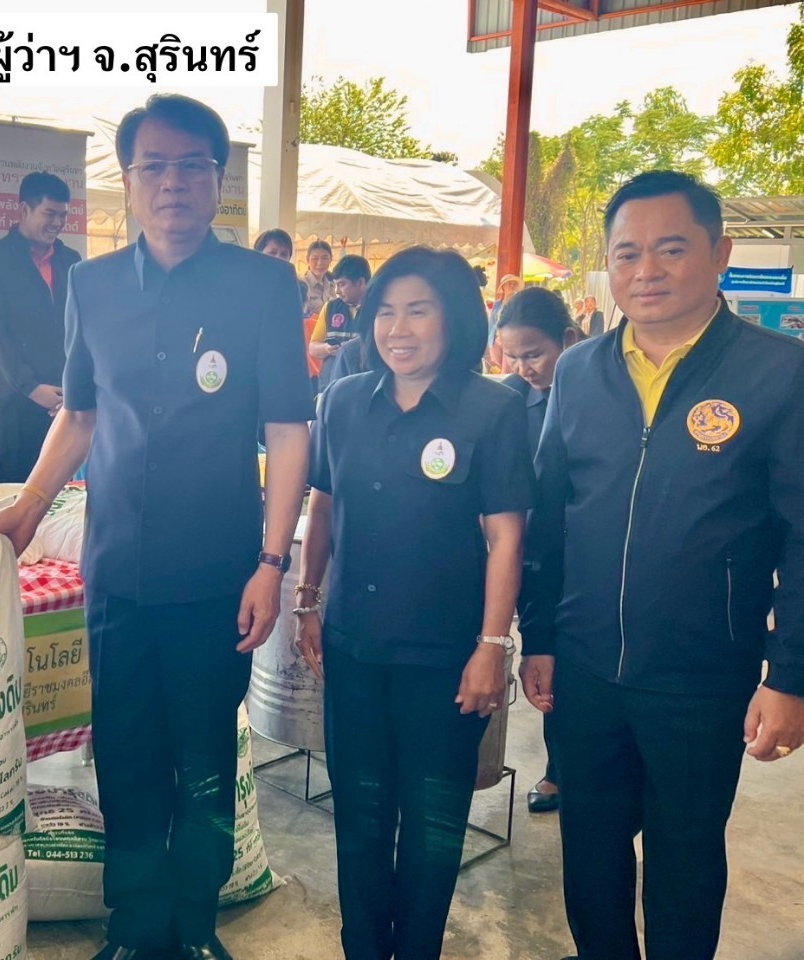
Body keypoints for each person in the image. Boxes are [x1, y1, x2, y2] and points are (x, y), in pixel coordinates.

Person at [0, 94, 313, 960]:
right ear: (127, 182)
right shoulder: (91, 287)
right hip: (118, 571)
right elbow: (80, 415)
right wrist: (28, 507)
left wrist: (272, 561)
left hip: (218, 572)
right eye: (153, 167)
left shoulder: (263, 287)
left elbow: (287, 430)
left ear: (218, 179)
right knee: (126, 756)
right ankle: (134, 929)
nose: (173, 183)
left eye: (191, 166)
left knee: (203, 760)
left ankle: (194, 928)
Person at [519, 170, 804, 960]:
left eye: (671, 249)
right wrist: (539, 638)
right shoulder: (579, 371)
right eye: (627, 253)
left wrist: (790, 676)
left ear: (720, 252)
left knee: (685, 860)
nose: (646, 270)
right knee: (591, 854)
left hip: (701, 678)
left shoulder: (779, 373)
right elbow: (550, 520)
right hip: (584, 671)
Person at [296, 246, 533, 960]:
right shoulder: (342, 400)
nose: (398, 329)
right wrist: (307, 602)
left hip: (446, 660)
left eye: (418, 311)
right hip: (354, 650)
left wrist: (492, 647)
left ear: (453, 319)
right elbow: (323, 506)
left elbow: (506, 536)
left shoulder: (493, 409)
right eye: (387, 313)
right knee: (360, 818)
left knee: (433, 827)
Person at [495, 286, 579, 814]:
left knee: (569, 663)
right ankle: (554, 767)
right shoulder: (507, 400)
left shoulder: (594, 392)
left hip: (580, 552)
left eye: (534, 354)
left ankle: (564, 769)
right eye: (512, 356)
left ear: (566, 340)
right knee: (535, 655)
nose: (523, 367)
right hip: (522, 550)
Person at [0, 171, 82, 482]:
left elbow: (84, 328)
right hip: (18, 400)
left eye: (63, 215)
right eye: (49, 213)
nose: (57, 222)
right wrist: (30, 387)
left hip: (66, 400)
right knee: (17, 488)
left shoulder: (71, 261)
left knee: (67, 490)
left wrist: (75, 389)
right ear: (23, 210)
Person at [255, 228, 315, 382]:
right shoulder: (247, 286)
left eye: (284, 254)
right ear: (258, 254)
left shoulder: (295, 287)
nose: (278, 258)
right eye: (272, 252)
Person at [308, 254, 371, 391]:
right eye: (335, 285)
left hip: (365, 385)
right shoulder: (330, 308)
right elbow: (312, 347)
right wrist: (327, 349)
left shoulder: (378, 309)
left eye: (342, 284)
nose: (337, 291)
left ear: (361, 283)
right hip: (331, 385)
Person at [487, 272, 523, 368]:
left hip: (511, 340)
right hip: (496, 339)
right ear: (503, 287)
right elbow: (492, 323)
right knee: (496, 369)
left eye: (514, 284)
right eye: (509, 283)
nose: (512, 286)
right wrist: (490, 341)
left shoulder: (519, 303)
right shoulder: (497, 304)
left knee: (507, 369)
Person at [302, 239, 334, 320]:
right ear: (307, 259)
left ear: (331, 259)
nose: (320, 263)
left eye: (325, 258)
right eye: (315, 258)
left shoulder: (332, 285)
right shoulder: (302, 285)